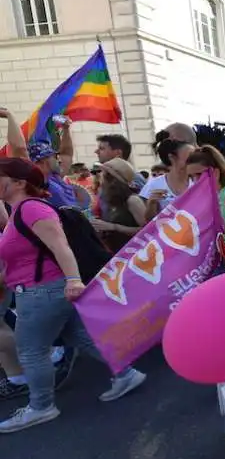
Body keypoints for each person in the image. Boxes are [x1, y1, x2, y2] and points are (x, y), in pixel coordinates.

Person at [0, 158, 145, 433]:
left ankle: (41, 406)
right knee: (80, 337)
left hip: (43, 291)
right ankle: (127, 374)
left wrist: (74, 280)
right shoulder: (19, 210)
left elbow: (60, 245)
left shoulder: (30, 209)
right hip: (45, 289)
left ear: (18, 183)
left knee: (31, 350)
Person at [90, 158, 146, 253]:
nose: (99, 176)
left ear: (111, 179)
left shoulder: (132, 200)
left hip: (134, 254)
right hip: (117, 253)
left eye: (102, 173)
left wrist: (113, 226)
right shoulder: (111, 199)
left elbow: (146, 230)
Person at [141, 136, 194, 220]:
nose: (195, 160)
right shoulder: (154, 184)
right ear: (172, 158)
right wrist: (151, 204)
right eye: (190, 156)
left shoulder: (199, 183)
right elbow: (147, 222)